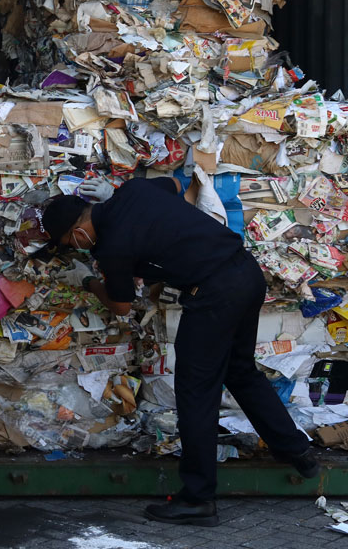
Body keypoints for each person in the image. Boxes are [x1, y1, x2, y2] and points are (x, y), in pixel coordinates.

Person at [41, 176, 319, 527]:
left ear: (78, 230)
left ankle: (198, 499)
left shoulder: (112, 246)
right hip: (246, 274)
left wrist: (88, 281)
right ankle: (296, 450)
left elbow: (122, 306)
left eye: (69, 242)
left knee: (195, 393)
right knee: (240, 370)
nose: (76, 247)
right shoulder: (134, 190)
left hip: (214, 294)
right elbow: (174, 183)